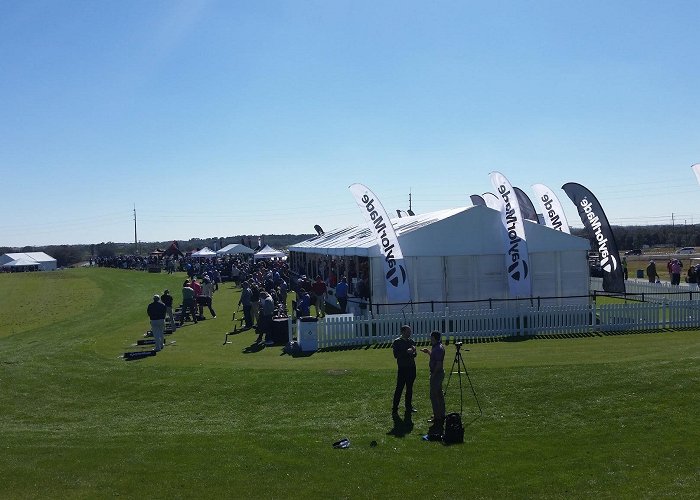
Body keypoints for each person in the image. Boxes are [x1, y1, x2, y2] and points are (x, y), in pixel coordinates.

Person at [421, 331, 446, 429]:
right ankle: (441, 414)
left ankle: (437, 417)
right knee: (439, 394)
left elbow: (439, 364)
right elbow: (434, 358)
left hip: (437, 374)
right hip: (437, 373)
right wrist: (428, 352)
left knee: (434, 396)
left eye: (431, 338)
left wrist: (433, 375)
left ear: (434, 338)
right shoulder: (436, 346)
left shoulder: (438, 348)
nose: (430, 339)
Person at [392, 325, 417, 414]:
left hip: (412, 368)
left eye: (410, 331)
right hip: (403, 368)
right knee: (399, 388)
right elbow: (396, 355)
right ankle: (395, 407)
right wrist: (407, 351)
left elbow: (414, 355)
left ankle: (408, 406)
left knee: (409, 388)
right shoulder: (397, 342)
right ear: (403, 332)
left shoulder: (411, 341)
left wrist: (413, 351)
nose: (410, 333)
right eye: (408, 331)